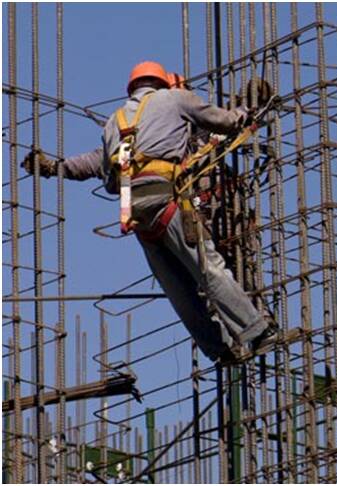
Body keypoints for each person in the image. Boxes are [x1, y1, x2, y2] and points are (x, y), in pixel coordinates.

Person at [23, 61, 276, 362]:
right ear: (163, 84)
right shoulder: (175, 99)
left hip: (138, 217)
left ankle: (218, 349)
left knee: (180, 291)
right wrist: (243, 114)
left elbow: (94, 164)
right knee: (210, 271)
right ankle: (257, 331)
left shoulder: (115, 123)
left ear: (133, 87)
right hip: (170, 203)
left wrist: (57, 168)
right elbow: (223, 121)